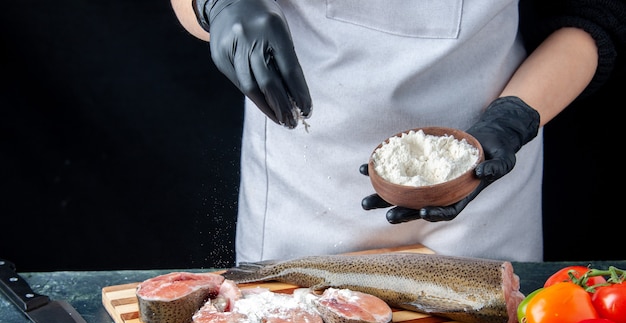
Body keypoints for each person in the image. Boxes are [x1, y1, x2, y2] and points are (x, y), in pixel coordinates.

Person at [171, 0, 624, 263]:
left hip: (484, 185)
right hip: (307, 187)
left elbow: (591, 14)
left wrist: (516, 116)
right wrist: (219, 5)